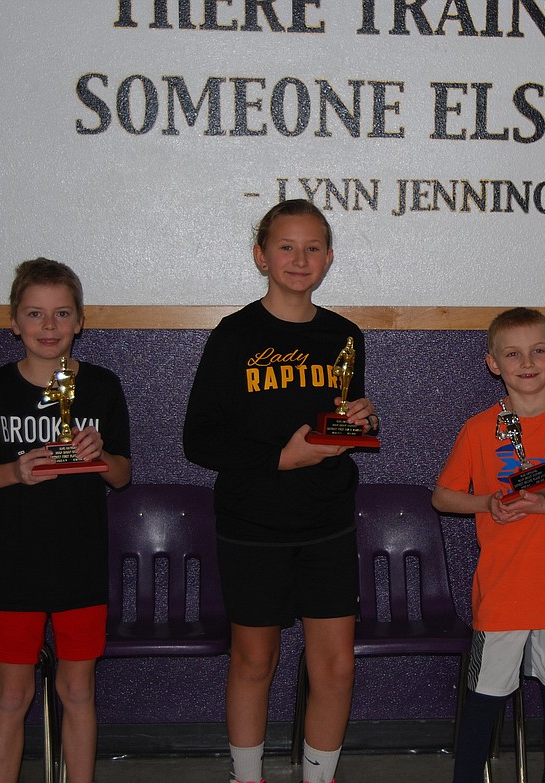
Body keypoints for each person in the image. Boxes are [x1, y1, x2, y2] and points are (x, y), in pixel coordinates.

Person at [183, 199, 378, 783]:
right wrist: (281, 457)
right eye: (287, 246)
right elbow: (198, 440)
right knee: (253, 661)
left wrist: (359, 419)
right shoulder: (234, 335)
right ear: (260, 255)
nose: (300, 258)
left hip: (327, 520)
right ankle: (248, 778)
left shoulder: (345, 336)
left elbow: (338, 421)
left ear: (330, 258)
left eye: (313, 247)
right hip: (253, 523)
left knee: (336, 668)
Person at [0, 258, 132, 783]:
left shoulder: (101, 386)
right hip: (17, 568)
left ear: (80, 321)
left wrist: (100, 453)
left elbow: (121, 476)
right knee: (12, 693)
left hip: (80, 564)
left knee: (77, 690)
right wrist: (13, 471)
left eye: (61, 314)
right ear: (14, 322)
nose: (48, 327)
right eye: (35, 314)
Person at [432, 307, 545, 783]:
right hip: (503, 590)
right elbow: (443, 496)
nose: (527, 362)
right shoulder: (479, 428)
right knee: (485, 698)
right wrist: (487, 504)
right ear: (494, 363)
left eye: (538, 350)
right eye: (513, 354)